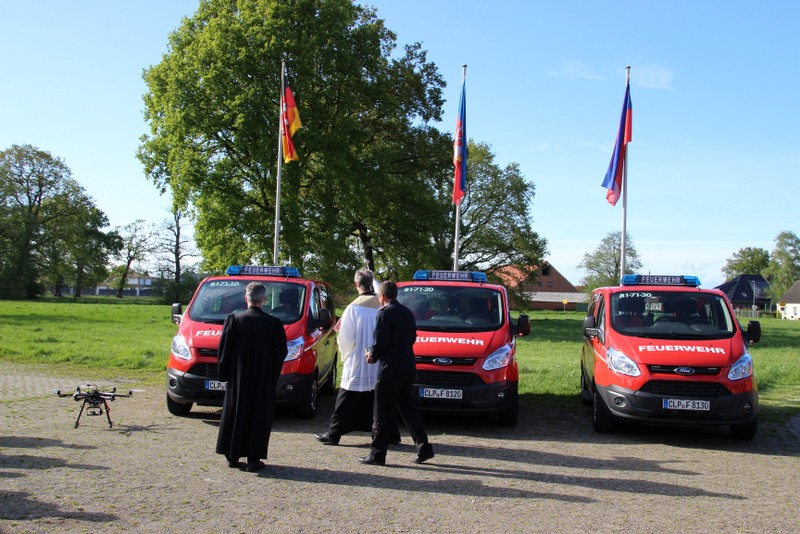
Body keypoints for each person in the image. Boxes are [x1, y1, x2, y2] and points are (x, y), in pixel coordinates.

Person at [215, 282, 288, 472]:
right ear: (264, 299)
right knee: (258, 416)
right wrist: (272, 376)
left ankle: (232, 455)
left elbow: (224, 350)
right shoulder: (273, 324)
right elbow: (281, 352)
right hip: (262, 379)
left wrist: (224, 374)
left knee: (235, 413)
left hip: (238, 377)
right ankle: (253, 459)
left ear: (246, 298)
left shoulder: (234, 320)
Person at [360, 281, 434, 466]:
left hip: (389, 369)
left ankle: (377, 454)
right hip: (407, 366)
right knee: (409, 410)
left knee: (381, 413)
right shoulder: (407, 312)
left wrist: (372, 356)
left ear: (382, 296)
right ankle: (424, 448)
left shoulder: (384, 313)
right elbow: (412, 338)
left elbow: (381, 341)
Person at [314, 269, 383, 445]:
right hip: (377, 359)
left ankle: (334, 433)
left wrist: (346, 355)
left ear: (356, 284)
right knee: (377, 398)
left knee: (346, 397)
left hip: (358, 357)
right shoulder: (381, 305)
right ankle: (387, 433)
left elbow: (345, 338)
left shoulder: (353, 308)